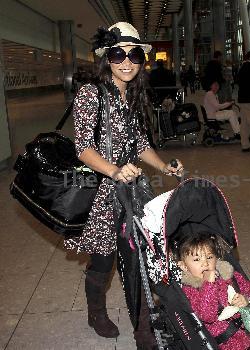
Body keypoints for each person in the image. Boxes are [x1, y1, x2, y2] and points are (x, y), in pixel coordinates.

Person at [64, 22, 183, 349]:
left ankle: (144, 323)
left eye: (134, 55)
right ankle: (95, 311)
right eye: (118, 53)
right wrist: (115, 171)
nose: (127, 61)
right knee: (104, 259)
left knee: (140, 257)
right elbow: (84, 148)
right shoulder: (91, 93)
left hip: (134, 190)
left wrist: (164, 166)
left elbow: (140, 142)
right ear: (107, 58)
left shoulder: (133, 94)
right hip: (102, 192)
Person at [173, 231, 250, 350]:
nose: (205, 263)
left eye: (209, 257)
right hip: (229, 338)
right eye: (197, 259)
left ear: (216, 259)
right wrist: (209, 285)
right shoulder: (189, 290)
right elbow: (207, 315)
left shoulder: (227, 274)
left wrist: (247, 299)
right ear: (184, 266)